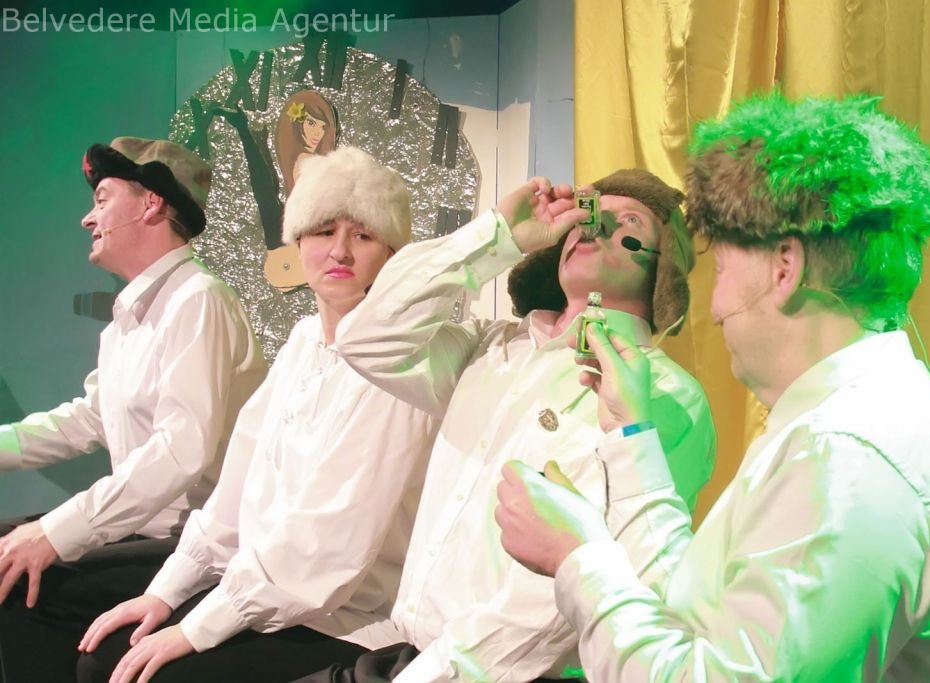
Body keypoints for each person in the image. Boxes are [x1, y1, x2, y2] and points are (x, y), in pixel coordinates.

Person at [496, 92, 930, 681]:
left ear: (784, 268)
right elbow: (697, 614)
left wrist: (576, 558)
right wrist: (629, 433)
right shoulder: (846, 424)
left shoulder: (848, 458)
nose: (715, 309)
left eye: (721, 269)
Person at [313, 168, 716, 681]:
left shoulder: (664, 395)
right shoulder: (491, 346)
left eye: (629, 221)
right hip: (407, 655)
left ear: (661, 266)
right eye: (589, 213)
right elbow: (365, 338)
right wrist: (499, 233)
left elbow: (557, 597)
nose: (594, 225)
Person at [75, 146, 441, 683]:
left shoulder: (401, 363)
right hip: (263, 590)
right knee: (103, 651)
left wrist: (198, 627)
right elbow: (235, 492)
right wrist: (166, 592)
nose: (339, 250)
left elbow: (327, 546)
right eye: (323, 231)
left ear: (390, 253)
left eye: (363, 236)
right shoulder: (303, 341)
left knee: (140, 674)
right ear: (298, 242)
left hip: (346, 618)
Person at [0, 137, 267, 681]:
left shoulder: (199, 299)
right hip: (145, 531)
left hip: (195, 544)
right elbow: (90, 418)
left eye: (102, 198)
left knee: (22, 581)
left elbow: (180, 451)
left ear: (151, 203)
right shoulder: (129, 317)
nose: (87, 218)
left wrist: (56, 531)